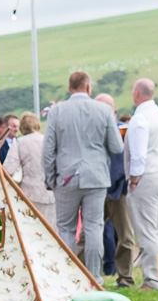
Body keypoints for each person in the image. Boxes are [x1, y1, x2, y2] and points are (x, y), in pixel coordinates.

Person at [43, 71, 124, 279]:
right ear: (89, 87)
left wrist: (51, 178)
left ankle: (66, 278)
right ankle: (95, 278)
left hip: (66, 177)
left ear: (70, 87)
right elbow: (117, 146)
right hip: (96, 176)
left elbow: (48, 150)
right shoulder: (104, 110)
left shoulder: (56, 112)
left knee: (65, 228)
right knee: (93, 228)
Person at [125, 78, 158, 290]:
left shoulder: (140, 118)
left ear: (137, 93)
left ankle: (153, 279)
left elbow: (138, 153)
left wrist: (134, 178)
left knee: (146, 230)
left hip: (147, 175)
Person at [94, 94, 136, 289]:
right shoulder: (90, 129)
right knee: (88, 235)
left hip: (119, 188)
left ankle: (126, 278)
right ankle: (82, 276)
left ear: (113, 109)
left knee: (125, 236)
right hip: (94, 189)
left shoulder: (124, 130)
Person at [7, 111, 54, 227]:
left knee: (33, 230)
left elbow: (8, 169)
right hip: (52, 193)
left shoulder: (19, 143)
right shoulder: (49, 141)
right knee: (52, 230)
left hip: (29, 193)